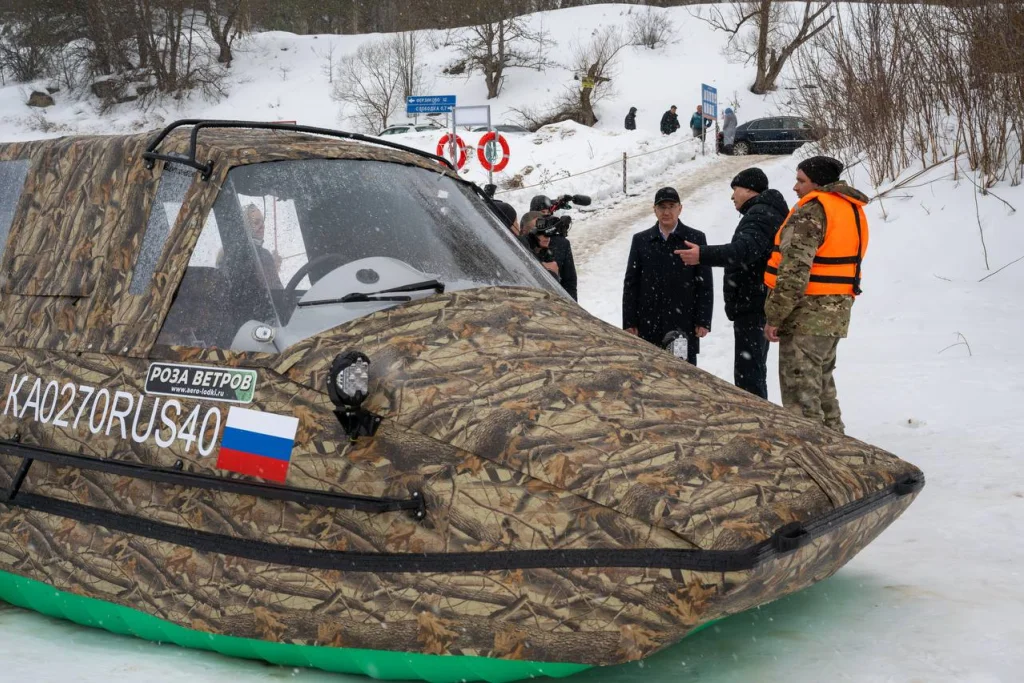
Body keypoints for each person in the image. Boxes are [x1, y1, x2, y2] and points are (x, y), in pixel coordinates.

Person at [764, 156, 870, 434]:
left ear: (818, 184)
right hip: (835, 311)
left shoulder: (812, 211)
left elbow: (794, 272)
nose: (795, 187)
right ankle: (837, 446)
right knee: (822, 386)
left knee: (801, 397)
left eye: (801, 181)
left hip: (806, 315)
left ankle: (811, 456)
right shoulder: (850, 208)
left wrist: (774, 315)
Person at [676, 168, 788, 398]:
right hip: (757, 301)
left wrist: (702, 255)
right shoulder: (765, 212)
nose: (732, 196)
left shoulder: (759, 216)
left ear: (749, 189)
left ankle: (755, 421)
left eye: (735, 189)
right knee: (753, 369)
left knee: (750, 374)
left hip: (753, 304)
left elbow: (742, 251)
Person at [623, 187, 713, 365]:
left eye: (671, 206)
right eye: (661, 207)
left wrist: (703, 320)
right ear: (654, 209)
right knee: (649, 372)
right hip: (648, 321)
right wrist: (629, 321)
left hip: (683, 322)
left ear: (680, 208)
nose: (666, 212)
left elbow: (704, 283)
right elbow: (631, 283)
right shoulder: (641, 240)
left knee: (683, 373)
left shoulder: (694, 239)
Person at [522, 211, 578, 301]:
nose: (546, 236)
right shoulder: (518, 251)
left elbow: (569, 282)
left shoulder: (561, 245)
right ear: (525, 232)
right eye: (539, 231)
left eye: (547, 230)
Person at [242, 204, 283, 289]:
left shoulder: (265, 254)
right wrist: (271, 268)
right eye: (256, 223)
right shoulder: (241, 254)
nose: (262, 226)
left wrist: (273, 268)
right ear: (246, 225)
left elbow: (278, 292)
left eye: (262, 222)